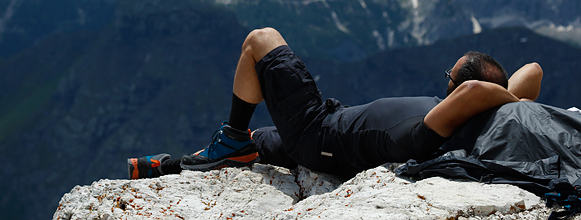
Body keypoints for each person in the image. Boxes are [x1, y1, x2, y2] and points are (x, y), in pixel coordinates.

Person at [127, 27, 543, 180]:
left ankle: (231, 135)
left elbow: (475, 92)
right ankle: (167, 167)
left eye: (449, 78)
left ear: (460, 91)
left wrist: (484, 97)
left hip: (319, 133)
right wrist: (502, 103)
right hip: (330, 130)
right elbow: (534, 70)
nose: (447, 83)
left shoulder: (436, 126)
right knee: (259, 146)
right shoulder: (480, 118)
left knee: (261, 40)